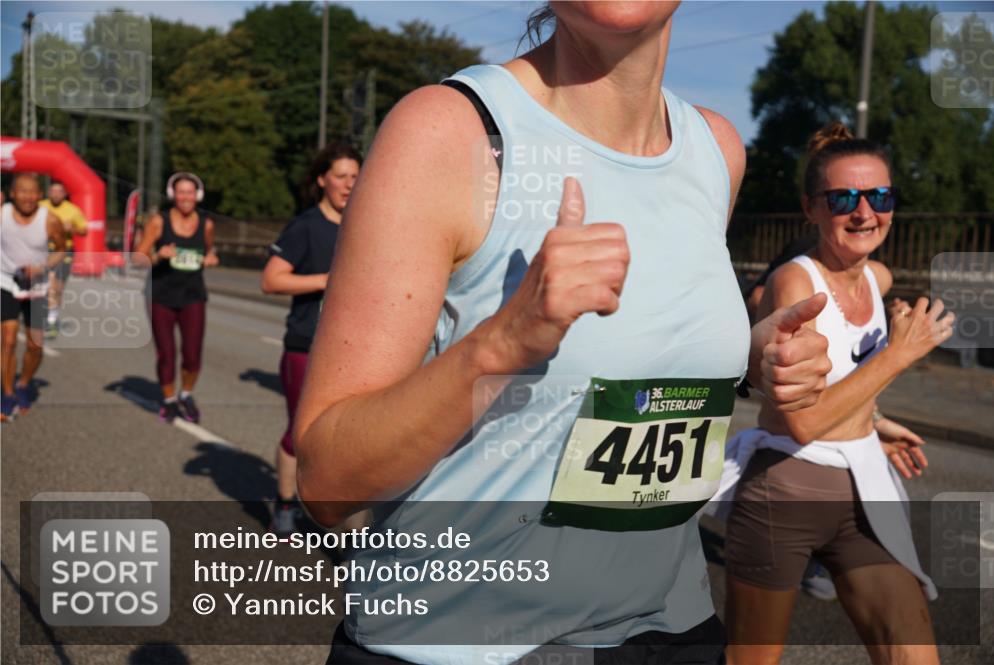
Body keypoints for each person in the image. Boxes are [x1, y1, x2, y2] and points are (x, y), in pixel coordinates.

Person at [295, 3, 832, 663]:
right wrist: (502, 344)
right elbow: (326, 481)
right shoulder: (452, 131)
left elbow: (628, 354)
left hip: (669, 630)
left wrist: (748, 355)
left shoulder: (716, 148)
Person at [720, 123, 953, 665]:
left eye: (880, 196)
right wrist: (899, 352)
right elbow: (802, 421)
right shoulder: (796, 284)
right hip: (787, 491)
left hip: (862, 490)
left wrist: (873, 421)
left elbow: (844, 377)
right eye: (843, 198)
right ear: (812, 209)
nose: (865, 213)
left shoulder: (879, 278)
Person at [260, 142, 361, 536]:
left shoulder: (366, 224)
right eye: (341, 176)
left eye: (355, 176)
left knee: (350, 439)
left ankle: (342, 523)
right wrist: (325, 280)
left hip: (353, 351)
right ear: (322, 180)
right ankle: (285, 505)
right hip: (307, 346)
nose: (349, 184)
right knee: (301, 436)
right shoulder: (306, 226)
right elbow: (271, 280)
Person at [135, 172, 218, 423]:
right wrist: (158, 256)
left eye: (190, 192)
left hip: (193, 295)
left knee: (193, 353)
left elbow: (210, 249)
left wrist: (211, 257)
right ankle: (169, 400)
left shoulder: (206, 224)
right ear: (173, 195)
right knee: (166, 353)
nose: (185, 197)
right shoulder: (158, 222)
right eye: (181, 192)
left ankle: (186, 394)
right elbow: (138, 258)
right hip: (161, 295)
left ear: (198, 195)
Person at [1, 174, 67, 421]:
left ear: (40, 195)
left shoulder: (50, 220)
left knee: (34, 345)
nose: (27, 197)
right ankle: (7, 394)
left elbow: (61, 250)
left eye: (32, 192)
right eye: (22, 191)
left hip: (36, 286)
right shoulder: (2, 215)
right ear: (12, 194)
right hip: (5, 282)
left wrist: (41, 267)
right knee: (8, 340)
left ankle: (23, 384)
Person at [39, 180, 89, 339]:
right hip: (44, 250)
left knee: (58, 289)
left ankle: (52, 317)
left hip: (64, 251)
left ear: (65, 194)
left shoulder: (73, 210)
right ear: (49, 193)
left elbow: (84, 230)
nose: (56, 194)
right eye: (53, 191)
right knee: (50, 286)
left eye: (59, 191)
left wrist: (72, 228)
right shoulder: (40, 206)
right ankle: (49, 320)